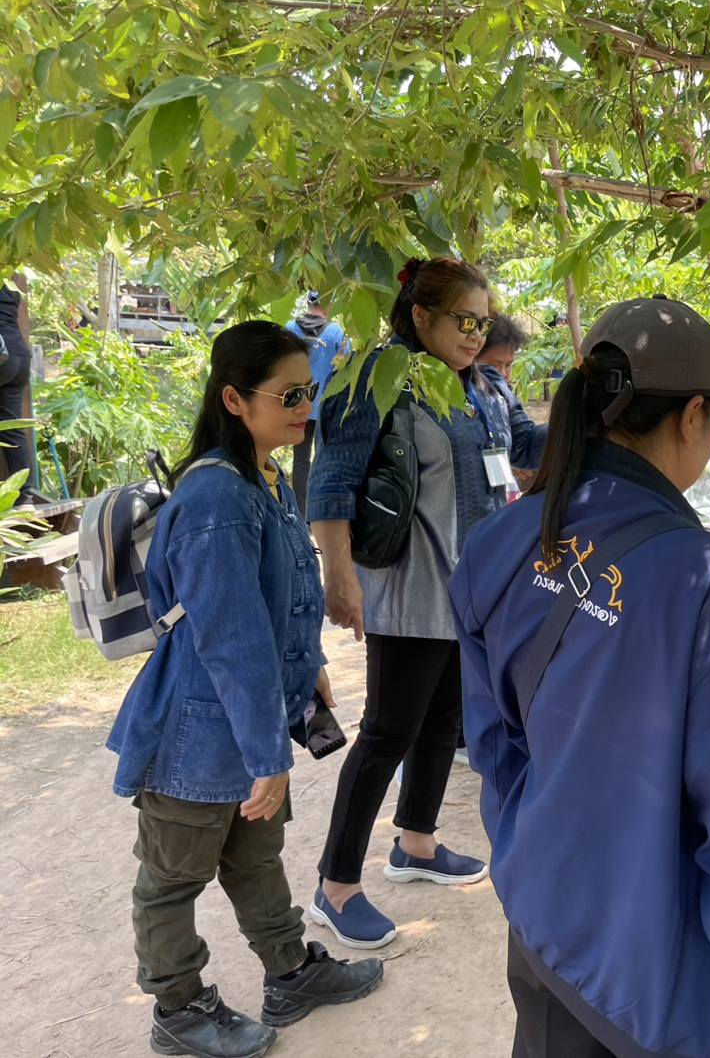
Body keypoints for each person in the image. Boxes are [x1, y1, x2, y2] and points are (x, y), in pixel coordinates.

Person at [450, 298, 710, 1058]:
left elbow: (496, 748)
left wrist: (530, 862)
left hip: (545, 930)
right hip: (667, 997)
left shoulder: (503, 539)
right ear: (693, 415)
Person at [105, 322, 382, 1058]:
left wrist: (308, 665)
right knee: (172, 878)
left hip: (246, 718)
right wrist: (268, 755)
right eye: (289, 395)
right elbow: (231, 640)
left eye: (310, 392)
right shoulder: (218, 498)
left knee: (256, 857)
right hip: (200, 733)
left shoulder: (265, 477)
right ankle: (178, 1010)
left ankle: (290, 973)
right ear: (234, 399)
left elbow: (276, 599)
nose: (306, 408)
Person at [307, 257, 504, 950]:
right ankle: (335, 886)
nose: (476, 335)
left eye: (484, 324)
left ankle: (416, 843)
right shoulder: (375, 378)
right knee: (388, 730)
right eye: (464, 321)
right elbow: (332, 481)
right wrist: (340, 576)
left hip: (465, 589)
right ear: (420, 315)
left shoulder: (472, 386)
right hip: (408, 588)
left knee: (442, 719)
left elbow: (511, 458)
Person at [284, 291, 350, 512]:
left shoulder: (289, 330)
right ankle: (320, 512)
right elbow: (346, 367)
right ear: (329, 304)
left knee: (301, 459)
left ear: (308, 303)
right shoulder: (336, 333)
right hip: (326, 407)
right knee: (324, 459)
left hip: (296, 406)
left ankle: (300, 512)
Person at [475, 312, 547, 495]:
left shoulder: (499, 399)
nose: (504, 374)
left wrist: (506, 461)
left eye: (508, 365)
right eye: (495, 366)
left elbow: (517, 445)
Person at [0, 275, 36, 501]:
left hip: (2, 353)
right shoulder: (9, 279)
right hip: (18, 355)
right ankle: (25, 498)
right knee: (11, 428)